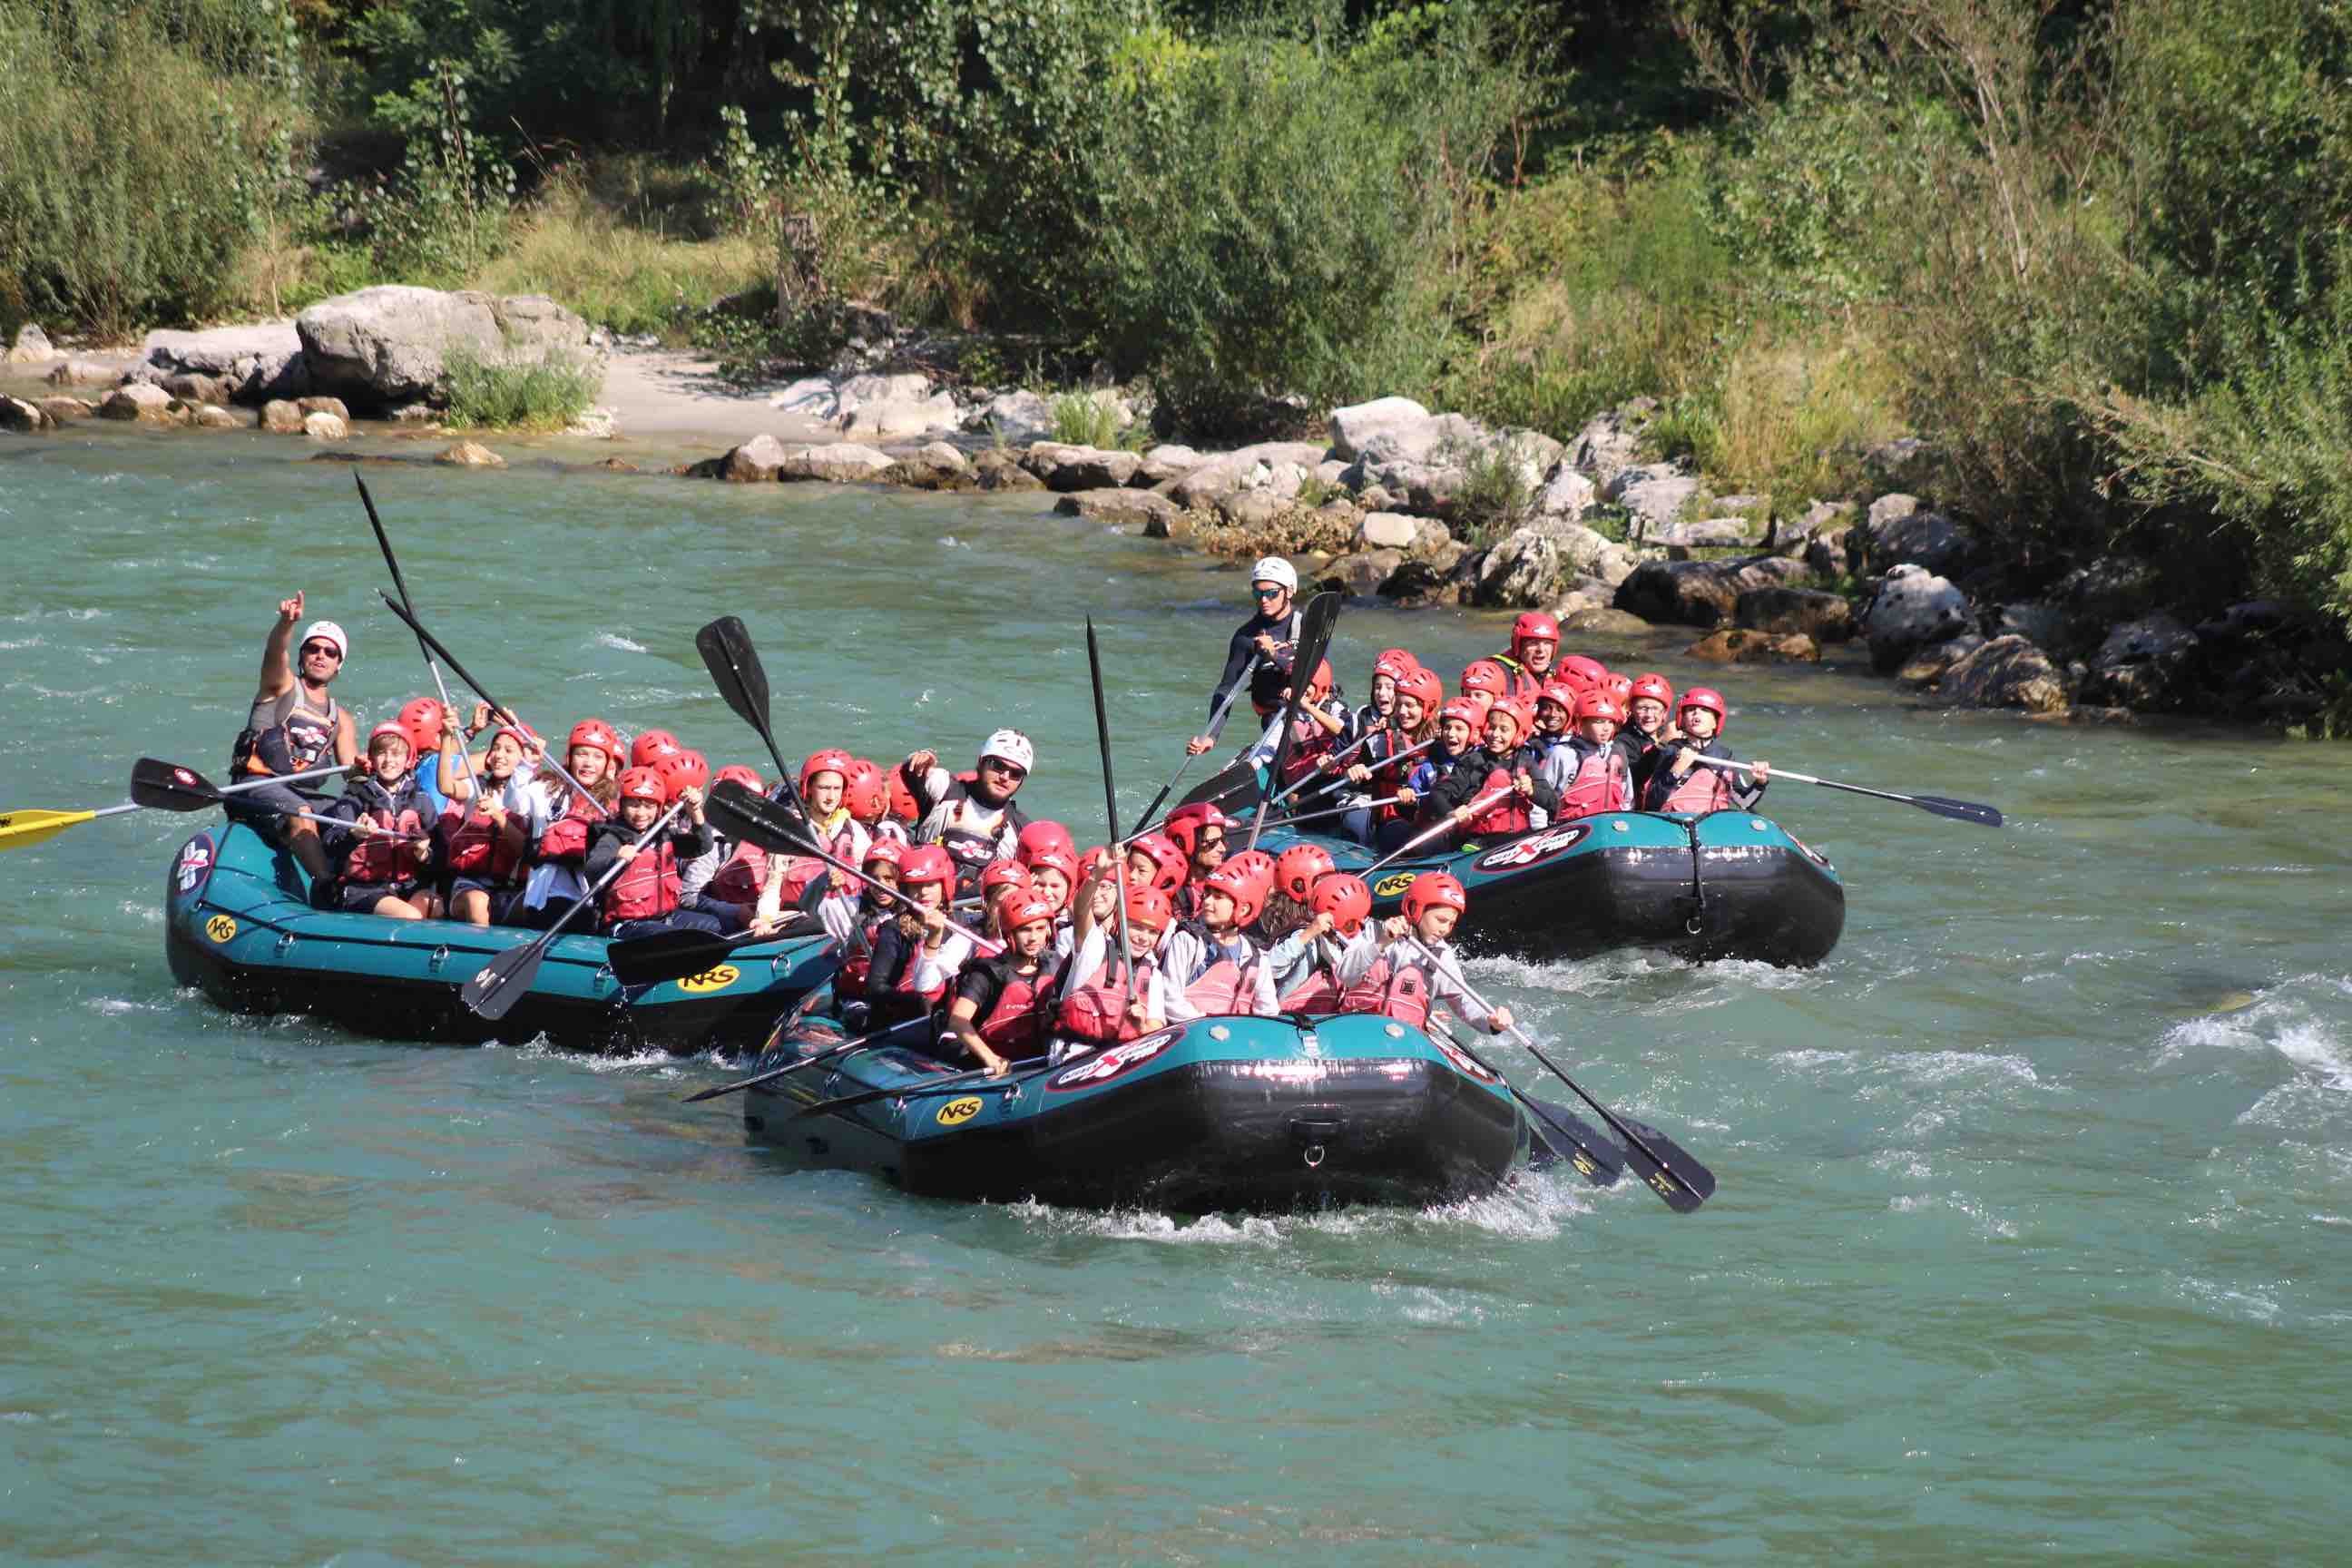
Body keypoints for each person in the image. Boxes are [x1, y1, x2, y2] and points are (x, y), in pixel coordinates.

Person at [228, 593, 356, 882]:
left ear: (339, 664)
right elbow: (274, 654)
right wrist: (286, 623)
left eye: (330, 652)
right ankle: (327, 889)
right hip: (257, 785)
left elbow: (352, 773)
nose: (321, 655)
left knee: (350, 816)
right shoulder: (281, 686)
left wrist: (367, 769)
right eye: (313, 649)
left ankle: (358, 884)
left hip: (305, 794)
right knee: (302, 814)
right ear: (301, 655)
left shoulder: (342, 719)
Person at [1336, 873, 1514, 1034]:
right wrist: (1381, 943)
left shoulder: (1441, 955)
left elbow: (1464, 1000)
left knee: (1411, 975)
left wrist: (1491, 1022)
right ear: (1415, 909)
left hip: (1403, 1040)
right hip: (1355, 1028)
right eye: (1441, 920)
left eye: (1451, 924)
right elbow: (1345, 975)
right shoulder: (1373, 932)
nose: (1445, 929)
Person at [314, 722, 439, 918]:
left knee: (436, 907)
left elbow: (439, 858)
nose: (389, 760)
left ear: (409, 760)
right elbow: (330, 845)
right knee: (410, 916)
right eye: (382, 753)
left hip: (408, 886)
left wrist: (424, 853)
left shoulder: (421, 800)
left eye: (396, 754)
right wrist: (354, 834)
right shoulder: (354, 796)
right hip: (363, 889)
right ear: (371, 758)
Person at [436, 711, 545, 926]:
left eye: (508, 750)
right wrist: (447, 738)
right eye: (495, 748)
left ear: (524, 758)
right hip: (470, 885)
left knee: (540, 906)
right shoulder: (478, 789)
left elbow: (526, 850)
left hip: (511, 888)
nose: (499, 755)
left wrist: (498, 815)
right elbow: (446, 786)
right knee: (478, 903)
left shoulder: (534, 798)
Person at [588, 766, 721, 938]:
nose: (641, 813)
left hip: (665, 918)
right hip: (627, 924)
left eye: (648, 806)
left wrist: (695, 811)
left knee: (713, 925)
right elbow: (591, 869)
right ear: (622, 805)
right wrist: (616, 858)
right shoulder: (613, 837)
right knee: (670, 937)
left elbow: (702, 845)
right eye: (634, 806)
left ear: (658, 808)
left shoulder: (663, 834)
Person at [1190, 555, 1305, 754]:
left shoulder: (1308, 627)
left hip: (1316, 715)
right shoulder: (1245, 637)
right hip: (1276, 724)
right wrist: (1211, 735)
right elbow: (1226, 689)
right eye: (1258, 593)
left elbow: (1319, 675)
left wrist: (1274, 656)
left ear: (1290, 591)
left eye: (1272, 593)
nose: (1264, 600)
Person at [944, 891, 1063, 1076]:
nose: (1034, 938)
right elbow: (958, 1020)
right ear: (1009, 933)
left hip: (1042, 1065)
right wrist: (991, 1058)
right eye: (1025, 929)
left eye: (1040, 929)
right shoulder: (987, 973)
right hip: (996, 1068)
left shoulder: (1055, 962)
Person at [519, 718, 621, 928]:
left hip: (591, 900)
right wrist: (526, 764)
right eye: (581, 754)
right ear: (570, 757)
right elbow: (515, 802)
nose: (588, 763)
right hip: (546, 899)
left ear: (608, 764)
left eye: (597, 757)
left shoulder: (614, 805)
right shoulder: (548, 790)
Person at [904, 730, 1033, 893]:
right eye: (998, 766)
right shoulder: (944, 789)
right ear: (981, 762)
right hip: (922, 899)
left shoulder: (1022, 829)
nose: (1005, 777)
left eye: (1016, 773)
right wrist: (917, 759)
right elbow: (910, 773)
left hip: (978, 914)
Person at [1425, 697, 1557, 846]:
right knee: (1498, 777)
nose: (1495, 734)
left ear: (1520, 735)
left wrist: (1532, 790)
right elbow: (1438, 793)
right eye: (1492, 727)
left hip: (1517, 839)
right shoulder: (1473, 761)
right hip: (1477, 841)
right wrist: (1450, 812)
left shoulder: (1526, 762)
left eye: (1504, 729)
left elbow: (1553, 802)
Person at [862, 843, 970, 1024]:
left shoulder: (959, 925)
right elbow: (875, 987)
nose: (923, 893)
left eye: (930, 884)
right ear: (906, 891)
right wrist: (914, 1000)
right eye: (916, 887)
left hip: (942, 1018)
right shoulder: (894, 929)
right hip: (900, 1021)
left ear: (945, 886)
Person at [1057, 881, 1173, 1050]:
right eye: (1137, 927)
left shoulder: (1153, 974)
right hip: (1075, 1052)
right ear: (1119, 923)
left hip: (1119, 1057)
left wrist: (1141, 1027)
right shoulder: (1095, 946)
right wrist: (1098, 872)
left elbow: (1156, 1028)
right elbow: (1081, 908)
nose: (1144, 938)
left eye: (1152, 932)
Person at [1159, 862, 1279, 1019]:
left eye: (1218, 897)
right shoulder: (1187, 941)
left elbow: (1268, 1013)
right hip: (1191, 1036)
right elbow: (1170, 999)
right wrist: (1209, 1026)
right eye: (1207, 894)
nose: (1207, 901)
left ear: (1243, 909)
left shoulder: (1257, 958)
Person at [1641, 687, 1772, 813]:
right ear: (1683, 719)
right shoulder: (1672, 750)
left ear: (1715, 722)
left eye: (1705, 710)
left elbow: (1745, 802)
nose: (1697, 713)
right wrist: (1676, 771)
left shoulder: (1724, 756)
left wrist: (1760, 782)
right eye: (1691, 709)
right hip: (1674, 822)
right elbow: (1651, 804)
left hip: (1711, 826)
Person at [1542, 689, 1636, 818]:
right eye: (1599, 721)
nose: (1606, 728)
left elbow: (1627, 800)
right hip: (1570, 828)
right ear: (1581, 722)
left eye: (1611, 722)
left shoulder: (1618, 755)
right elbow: (1542, 796)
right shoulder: (1562, 753)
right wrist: (1540, 828)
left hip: (1611, 826)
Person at [1493, 612, 1560, 701]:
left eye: (1547, 643)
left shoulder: (1555, 677)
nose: (1541, 649)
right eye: (1533, 643)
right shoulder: (1497, 674)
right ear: (1518, 645)